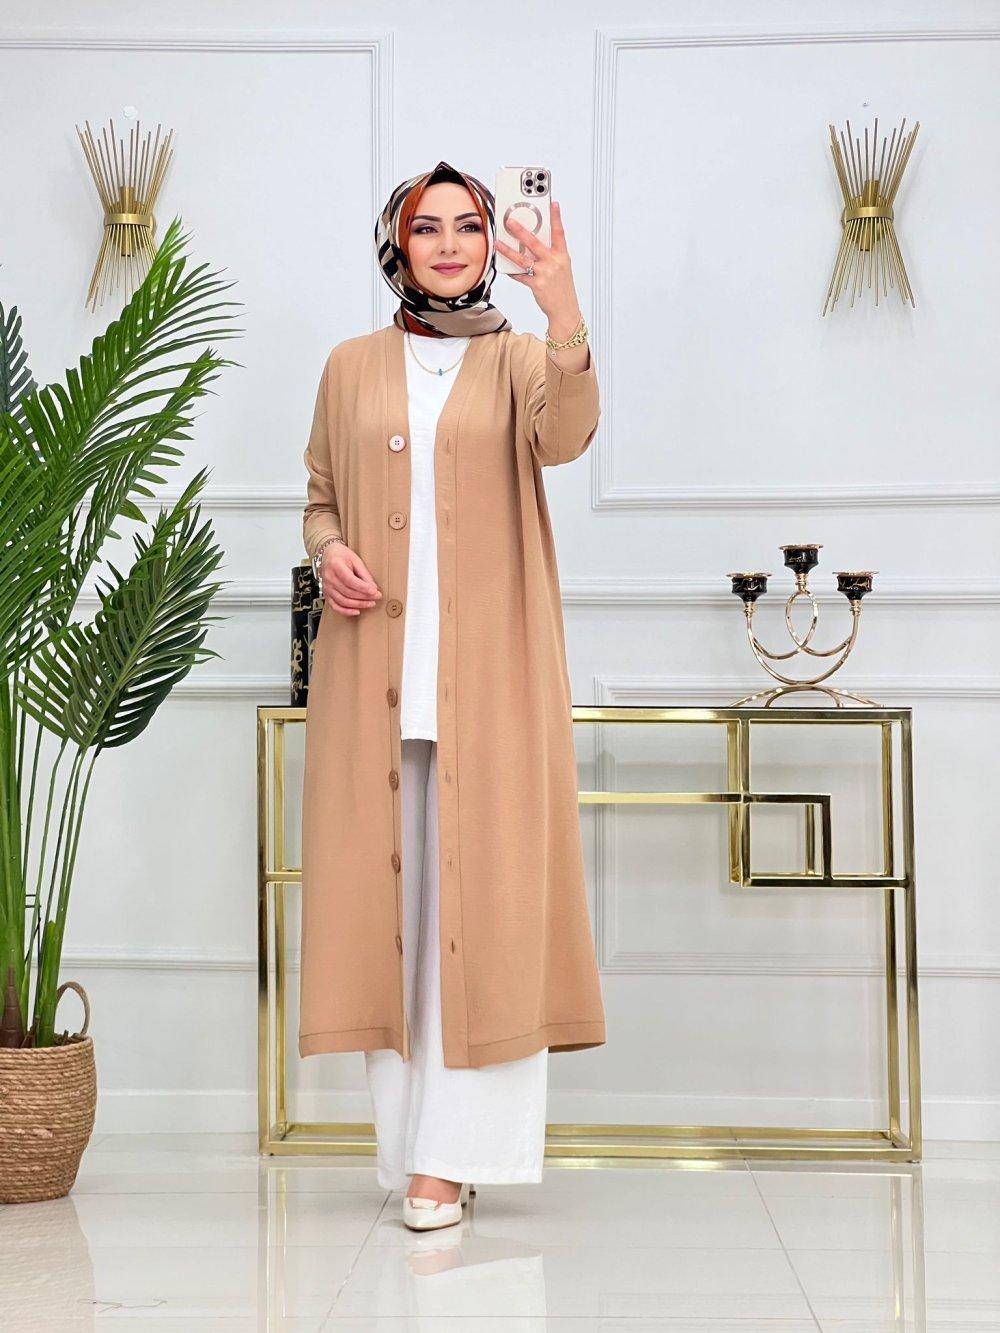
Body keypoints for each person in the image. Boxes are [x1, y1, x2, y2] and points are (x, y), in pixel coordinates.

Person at [298, 160, 606, 1231]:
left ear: (488, 244)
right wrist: (328, 551)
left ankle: (452, 1158)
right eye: (424, 227)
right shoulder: (349, 365)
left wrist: (562, 307)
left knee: (489, 915)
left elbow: (564, 435)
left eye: (466, 226)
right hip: (372, 680)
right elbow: (319, 496)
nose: (445, 244)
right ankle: (414, 1149)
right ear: (397, 245)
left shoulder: (520, 359)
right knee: (395, 922)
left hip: (490, 678)